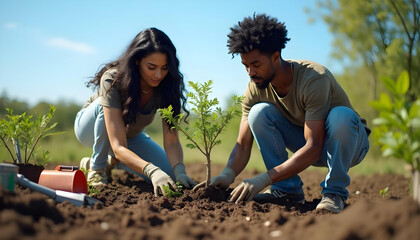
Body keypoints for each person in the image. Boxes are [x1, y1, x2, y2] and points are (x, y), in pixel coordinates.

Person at [206, 14, 370, 213]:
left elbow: (314, 146)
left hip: (348, 144)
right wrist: (227, 174)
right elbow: (242, 144)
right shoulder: (255, 88)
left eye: (256, 64)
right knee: (258, 113)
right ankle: (286, 191)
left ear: (275, 57)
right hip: (309, 145)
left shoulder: (313, 78)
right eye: (246, 66)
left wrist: (264, 178)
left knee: (341, 116)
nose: (250, 72)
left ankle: (334, 193)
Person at [74, 27, 197, 196]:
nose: (158, 74)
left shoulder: (167, 85)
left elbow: (171, 140)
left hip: (129, 136)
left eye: (165, 68)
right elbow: (118, 146)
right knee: (103, 105)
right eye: (152, 67)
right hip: (89, 128)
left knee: (169, 176)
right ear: (137, 60)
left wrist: (180, 171)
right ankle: (97, 168)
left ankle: (113, 162)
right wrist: (151, 171)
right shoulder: (113, 79)